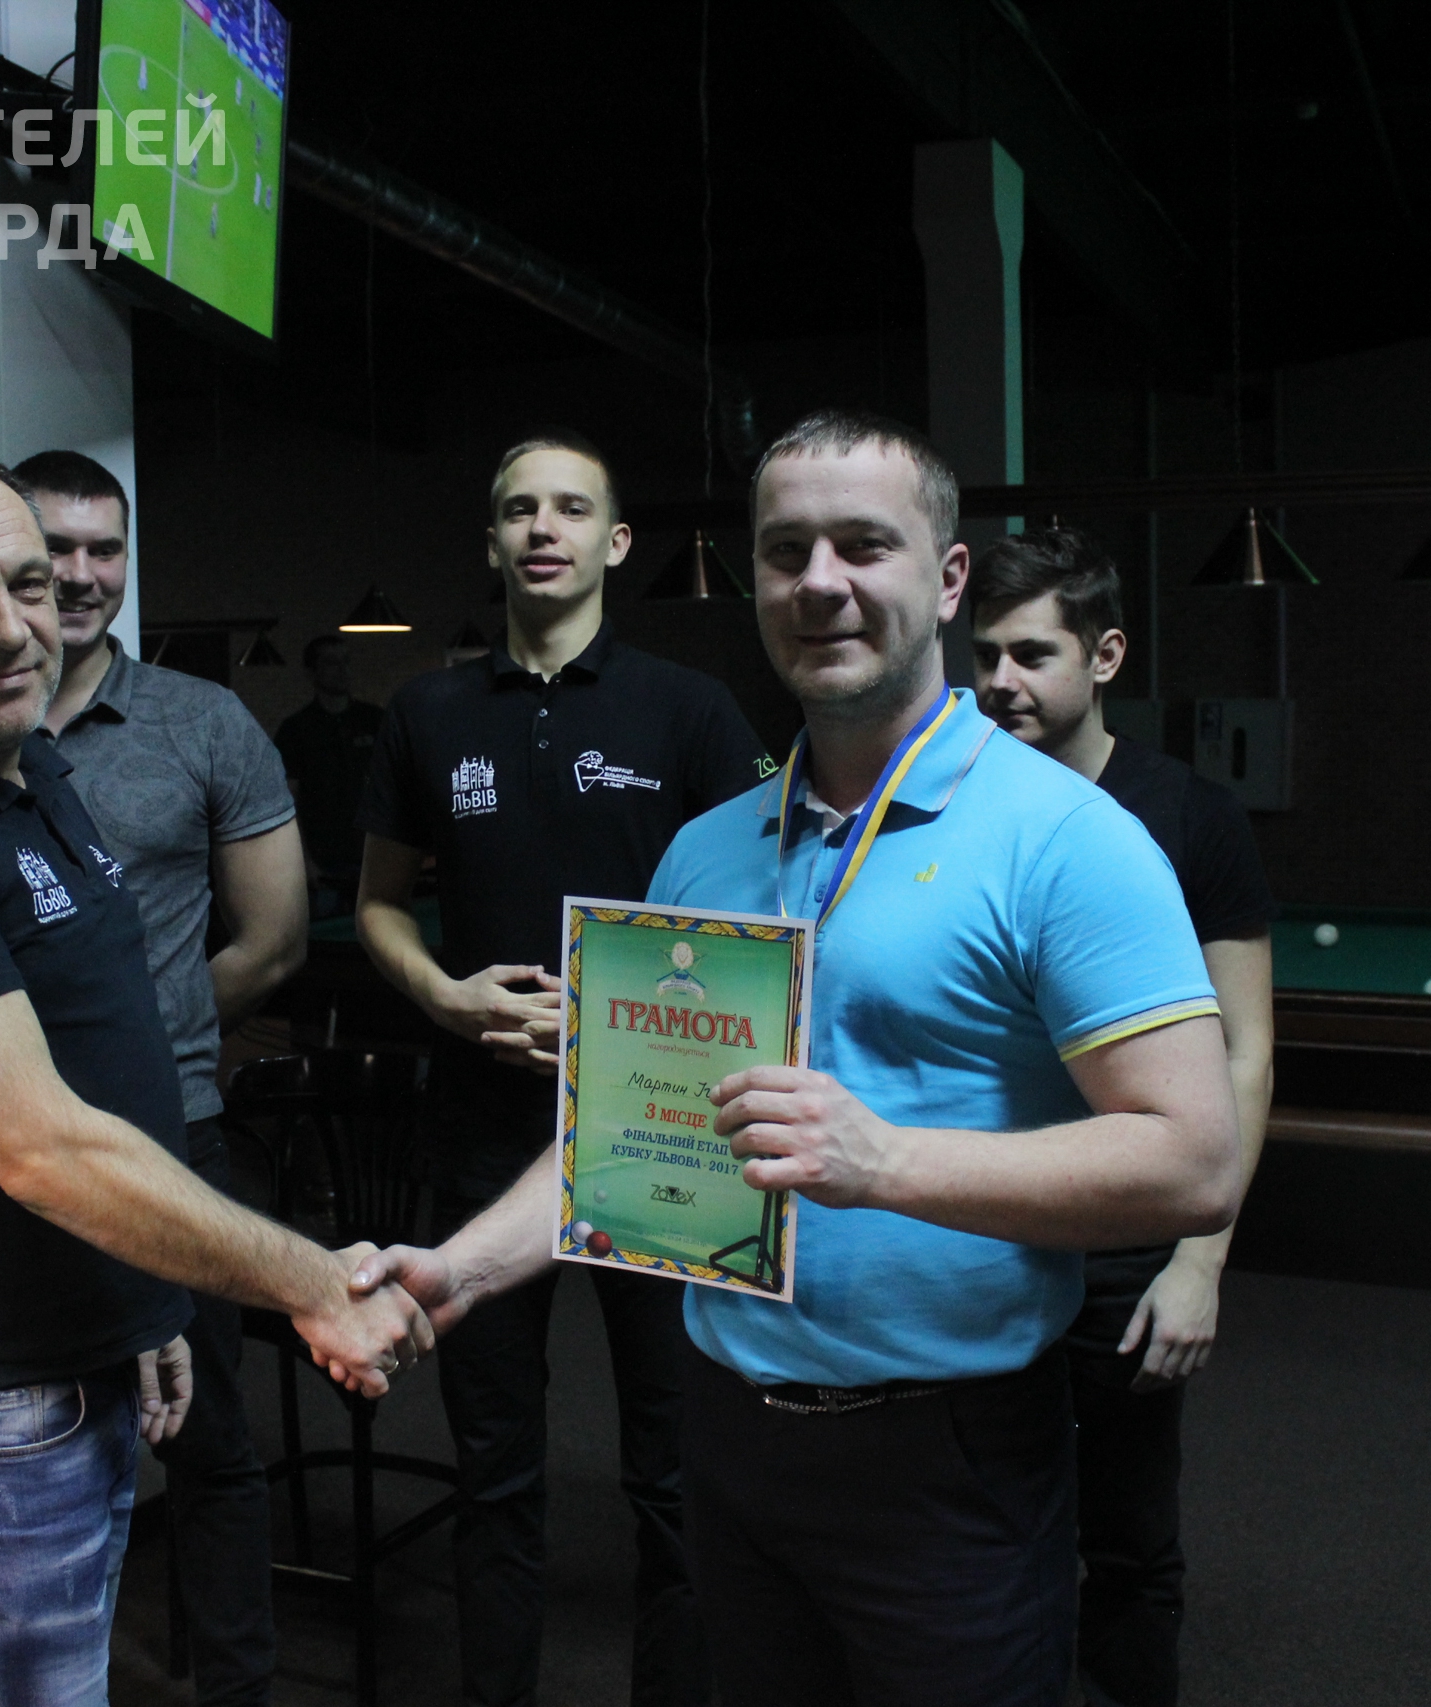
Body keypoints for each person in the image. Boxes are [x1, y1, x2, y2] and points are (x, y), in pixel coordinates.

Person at [344, 410, 1242, 1707]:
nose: (820, 581)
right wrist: (463, 1268)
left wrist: (886, 1162)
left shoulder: (1069, 838)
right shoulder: (703, 849)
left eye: (863, 545)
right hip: (729, 1424)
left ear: (947, 579)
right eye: (785, 550)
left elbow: (1194, 1160)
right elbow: (621, 1136)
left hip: (949, 1445)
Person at [0, 445, 431, 1707]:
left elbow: (105, 1045)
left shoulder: (24, 772)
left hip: (67, 1350)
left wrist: (145, 1302)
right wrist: (312, 1283)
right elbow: (41, 1145)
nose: (14, 626)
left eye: (26, 584)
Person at [354, 430, 770, 1707]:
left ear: (615, 542)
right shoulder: (427, 713)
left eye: (572, 509)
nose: (544, 528)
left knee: (672, 1471)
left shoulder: (691, 711)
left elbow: (759, 925)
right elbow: (378, 905)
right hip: (484, 1128)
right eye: (519, 509)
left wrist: (638, 1029)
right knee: (495, 1469)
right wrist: (444, 995)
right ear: (492, 542)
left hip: (658, 1132)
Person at [13, 446, 308, 1707]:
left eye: (105, 548)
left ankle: (235, 1689)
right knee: (21, 1428)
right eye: (55, 548)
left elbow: (273, 941)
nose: (83, 574)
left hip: (172, 1129)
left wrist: (142, 1040)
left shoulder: (202, 721)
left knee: (210, 1440)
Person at [968, 527, 1276, 1707]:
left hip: (1127, 1245)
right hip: (984, 1228)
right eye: (984, 655)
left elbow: (1242, 1055)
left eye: (1031, 654)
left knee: (1130, 1539)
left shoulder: (1188, 814)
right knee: (985, 1526)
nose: (1000, 682)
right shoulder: (955, 805)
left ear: (1103, 656)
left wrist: (1201, 1263)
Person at [274, 635, 383, 916]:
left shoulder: (374, 720)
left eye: (346, 661)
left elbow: (395, 789)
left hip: (372, 856)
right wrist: (304, 860)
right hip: (323, 863)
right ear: (312, 672)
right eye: (332, 663)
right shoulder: (296, 730)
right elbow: (288, 802)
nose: (342, 669)